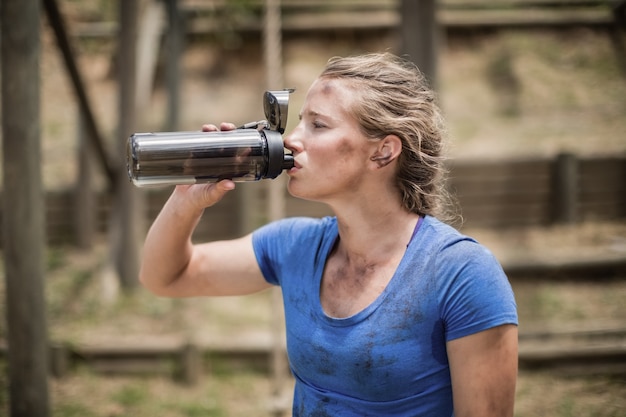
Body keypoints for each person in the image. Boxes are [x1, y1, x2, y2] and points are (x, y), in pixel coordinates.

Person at [139, 52, 518, 416]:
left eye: (318, 125)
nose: (292, 139)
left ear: (383, 152)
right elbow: (166, 276)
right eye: (300, 121)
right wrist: (187, 198)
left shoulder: (462, 274)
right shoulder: (296, 246)